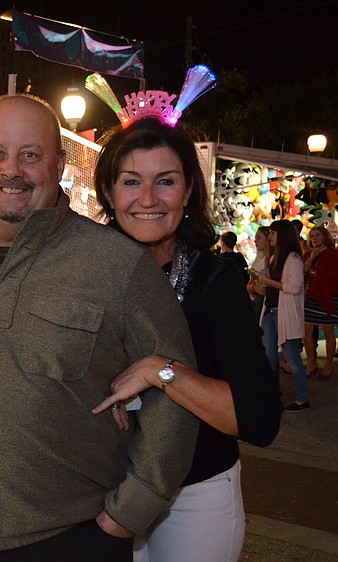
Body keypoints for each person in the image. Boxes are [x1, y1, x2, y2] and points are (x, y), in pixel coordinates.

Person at [0, 94, 199, 561]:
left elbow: (175, 395)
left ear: (59, 164)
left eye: (30, 155)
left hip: (77, 540)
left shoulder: (118, 264)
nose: (11, 170)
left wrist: (128, 513)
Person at [89, 116, 282, 562]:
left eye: (166, 181)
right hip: (103, 488)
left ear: (189, 190)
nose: (147, 199)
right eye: (131, 181)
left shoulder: (216, 280)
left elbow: (259, 418)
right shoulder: (84, 274)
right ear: (109, 193)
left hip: (196, 494)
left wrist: (161, 371)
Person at [256, 219, 308, 411]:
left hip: (284, 314)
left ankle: (302, 399)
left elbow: (294, 288)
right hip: (270, 312)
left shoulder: (293, 258)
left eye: (272, 233)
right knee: (269, 356)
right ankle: (272, 393)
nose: (269, 237)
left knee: (292, 358)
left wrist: (269, 282)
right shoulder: (275, 257)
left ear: (282, 235)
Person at [303, 225, 338, 379]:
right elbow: (303, 272)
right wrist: (311, 259)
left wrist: (313, 272)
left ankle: (329, 365)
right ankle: (311, 362)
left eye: (317, 235)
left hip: (328, 296)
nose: (314, 239)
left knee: (328, 330)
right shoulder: (308, 254)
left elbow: (332, 275)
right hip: (311, 296)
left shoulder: (333, 254)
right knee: (307, 330)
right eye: (312, 236)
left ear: (325, 237)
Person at [247, 226, 271, 319]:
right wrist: (253, 287)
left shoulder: (272, 259)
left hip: (266, 302)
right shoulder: (258, 258)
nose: (255, 241)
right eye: (255, 238)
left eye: (259, 238)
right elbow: (250, 284)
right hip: (255, 298)